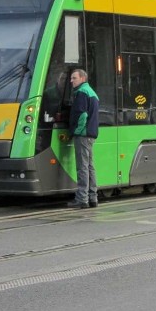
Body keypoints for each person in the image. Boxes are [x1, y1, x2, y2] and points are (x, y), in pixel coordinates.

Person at [67, 68, 99, 209]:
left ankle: (82, 199)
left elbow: (82, 115)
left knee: (82, 167)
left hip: (83, 135)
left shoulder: (81, 93)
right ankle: (93, 198)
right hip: (91, 134)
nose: (71, 81)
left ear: (82, 79)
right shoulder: (92, 93)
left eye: (74, 78)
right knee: (90, 166)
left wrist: (76, 132)